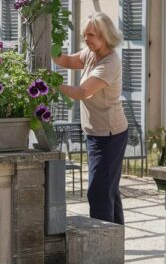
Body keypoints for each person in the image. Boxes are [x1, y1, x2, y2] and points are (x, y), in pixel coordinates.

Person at [52, 12, 128, 225]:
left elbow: (83, 92)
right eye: (85, 35)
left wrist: (52, 85)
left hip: (110, 135)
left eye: (91, 35)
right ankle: (114, 240)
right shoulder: (90, 54)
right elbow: (66, 60)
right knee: (108, 190)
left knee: (98, 193)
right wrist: (49, 46)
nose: (86, 39)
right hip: (96, 133)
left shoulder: (110, 62)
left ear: (105, 36)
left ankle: (101, 242)